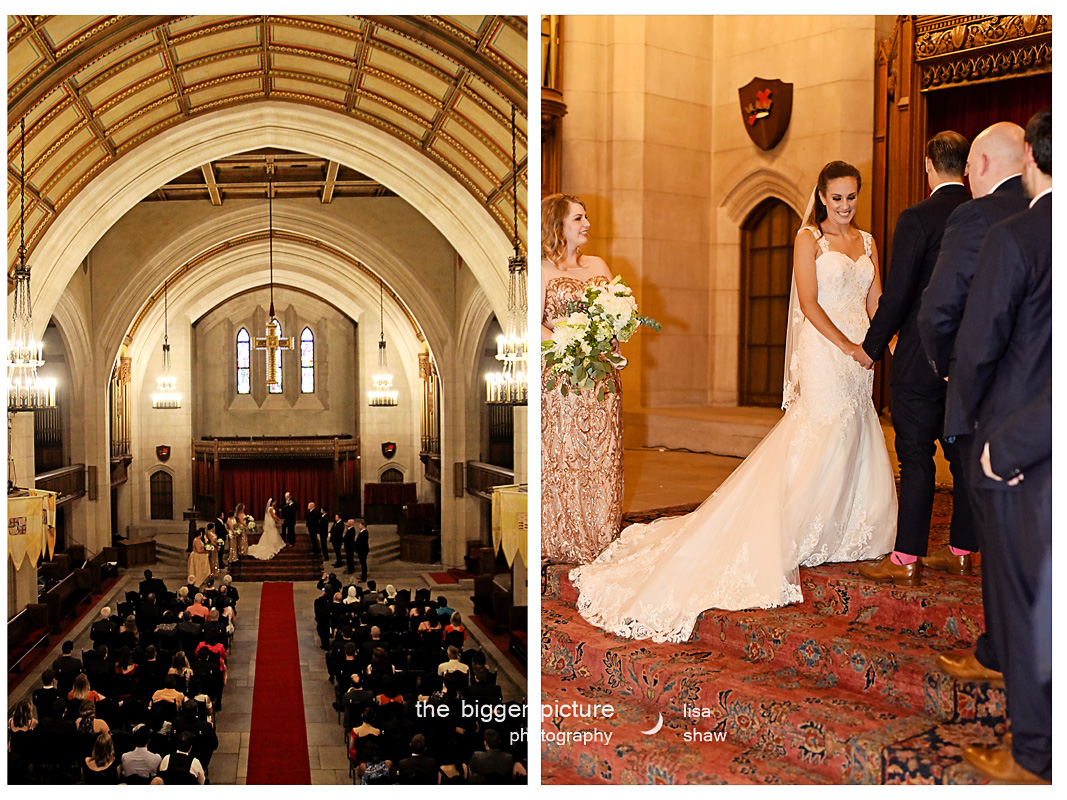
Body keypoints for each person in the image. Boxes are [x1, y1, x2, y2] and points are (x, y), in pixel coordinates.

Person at [570, 161, 897, 642]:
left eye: (851, 198)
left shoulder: (867, 242)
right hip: (826, 350)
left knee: (853, 428)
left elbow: (876, 302)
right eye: (837, 198)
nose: (845, 207)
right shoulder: (808, 238)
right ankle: (794, 527)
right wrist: (848, 346)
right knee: (823, 427)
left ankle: (843, 528)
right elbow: (808, 303)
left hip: (859, 352)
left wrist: (888, 346)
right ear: (822, 197)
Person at [951, 109, 1051, 785]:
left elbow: (978, 341)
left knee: (1024, 600)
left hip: (1023, 446)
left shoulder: (1015, 235)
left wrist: (975, 436)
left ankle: (1035, 753)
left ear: (1030, 161)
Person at [916, 120, 1028, 686]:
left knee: (1002, 542)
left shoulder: (976, 216)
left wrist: (949, 371)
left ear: (978, 166)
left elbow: (939, 310)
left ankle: (999, 653)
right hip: (1042, 408)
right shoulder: (1043, 214)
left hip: (988, 407)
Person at [857, 131, 974, 585]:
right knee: (961, 454)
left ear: (928, 164)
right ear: (965, 166)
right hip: (969, 358)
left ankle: (905, 559)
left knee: (915, 455)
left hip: (921, 358)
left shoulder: (916, 218)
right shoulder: (982, 214)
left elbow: (899, 294)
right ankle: (963, 550)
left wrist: (872, 348)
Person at [540, 193, 623, 564]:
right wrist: (567, 345)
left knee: (602, 457)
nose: (586, 223)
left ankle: (601, 532)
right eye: (578, 218)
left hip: (602, 378)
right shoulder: (541, 269)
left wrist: (610, 343)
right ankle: (564, 533)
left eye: (586, 217)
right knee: (566, 456)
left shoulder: (598, 265)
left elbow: (615, 317)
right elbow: (534, 324)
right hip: (562, 380)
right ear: (558, 225)